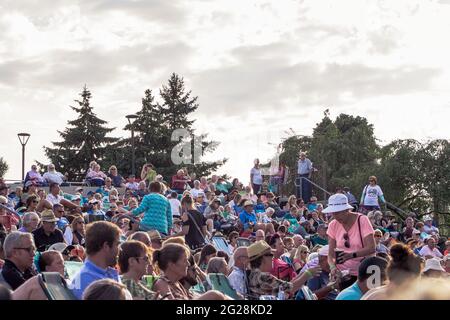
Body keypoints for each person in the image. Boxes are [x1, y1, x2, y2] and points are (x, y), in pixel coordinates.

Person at [325, 194, 376, 289]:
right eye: (333, 213)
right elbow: (330, 255)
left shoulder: (362, 220)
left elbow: (372, 248)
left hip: (365, 272)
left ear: (346, 210)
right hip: (344, 275)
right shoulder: (333, 225)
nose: (335, 216)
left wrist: (350, 255)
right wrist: (332, 267)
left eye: (338, 213)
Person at [246, 240, 321, 300]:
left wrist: (303, 273)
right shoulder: (262, 277)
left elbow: (287, 286)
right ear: (262, 258)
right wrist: (307, 274)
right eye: (270, 254)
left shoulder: (255, 275)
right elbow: (290, 288)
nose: (273, 257)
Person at [152, 243, 226, 300]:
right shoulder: (162, 284)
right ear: (172, 265)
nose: (188, 263)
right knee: (214, 294)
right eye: (184, 260)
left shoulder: (176, 284)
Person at [69, 221, 122, 299]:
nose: (120, 249)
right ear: (106, 246)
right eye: (117, 244)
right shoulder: (86, 281)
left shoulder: (107, 273)